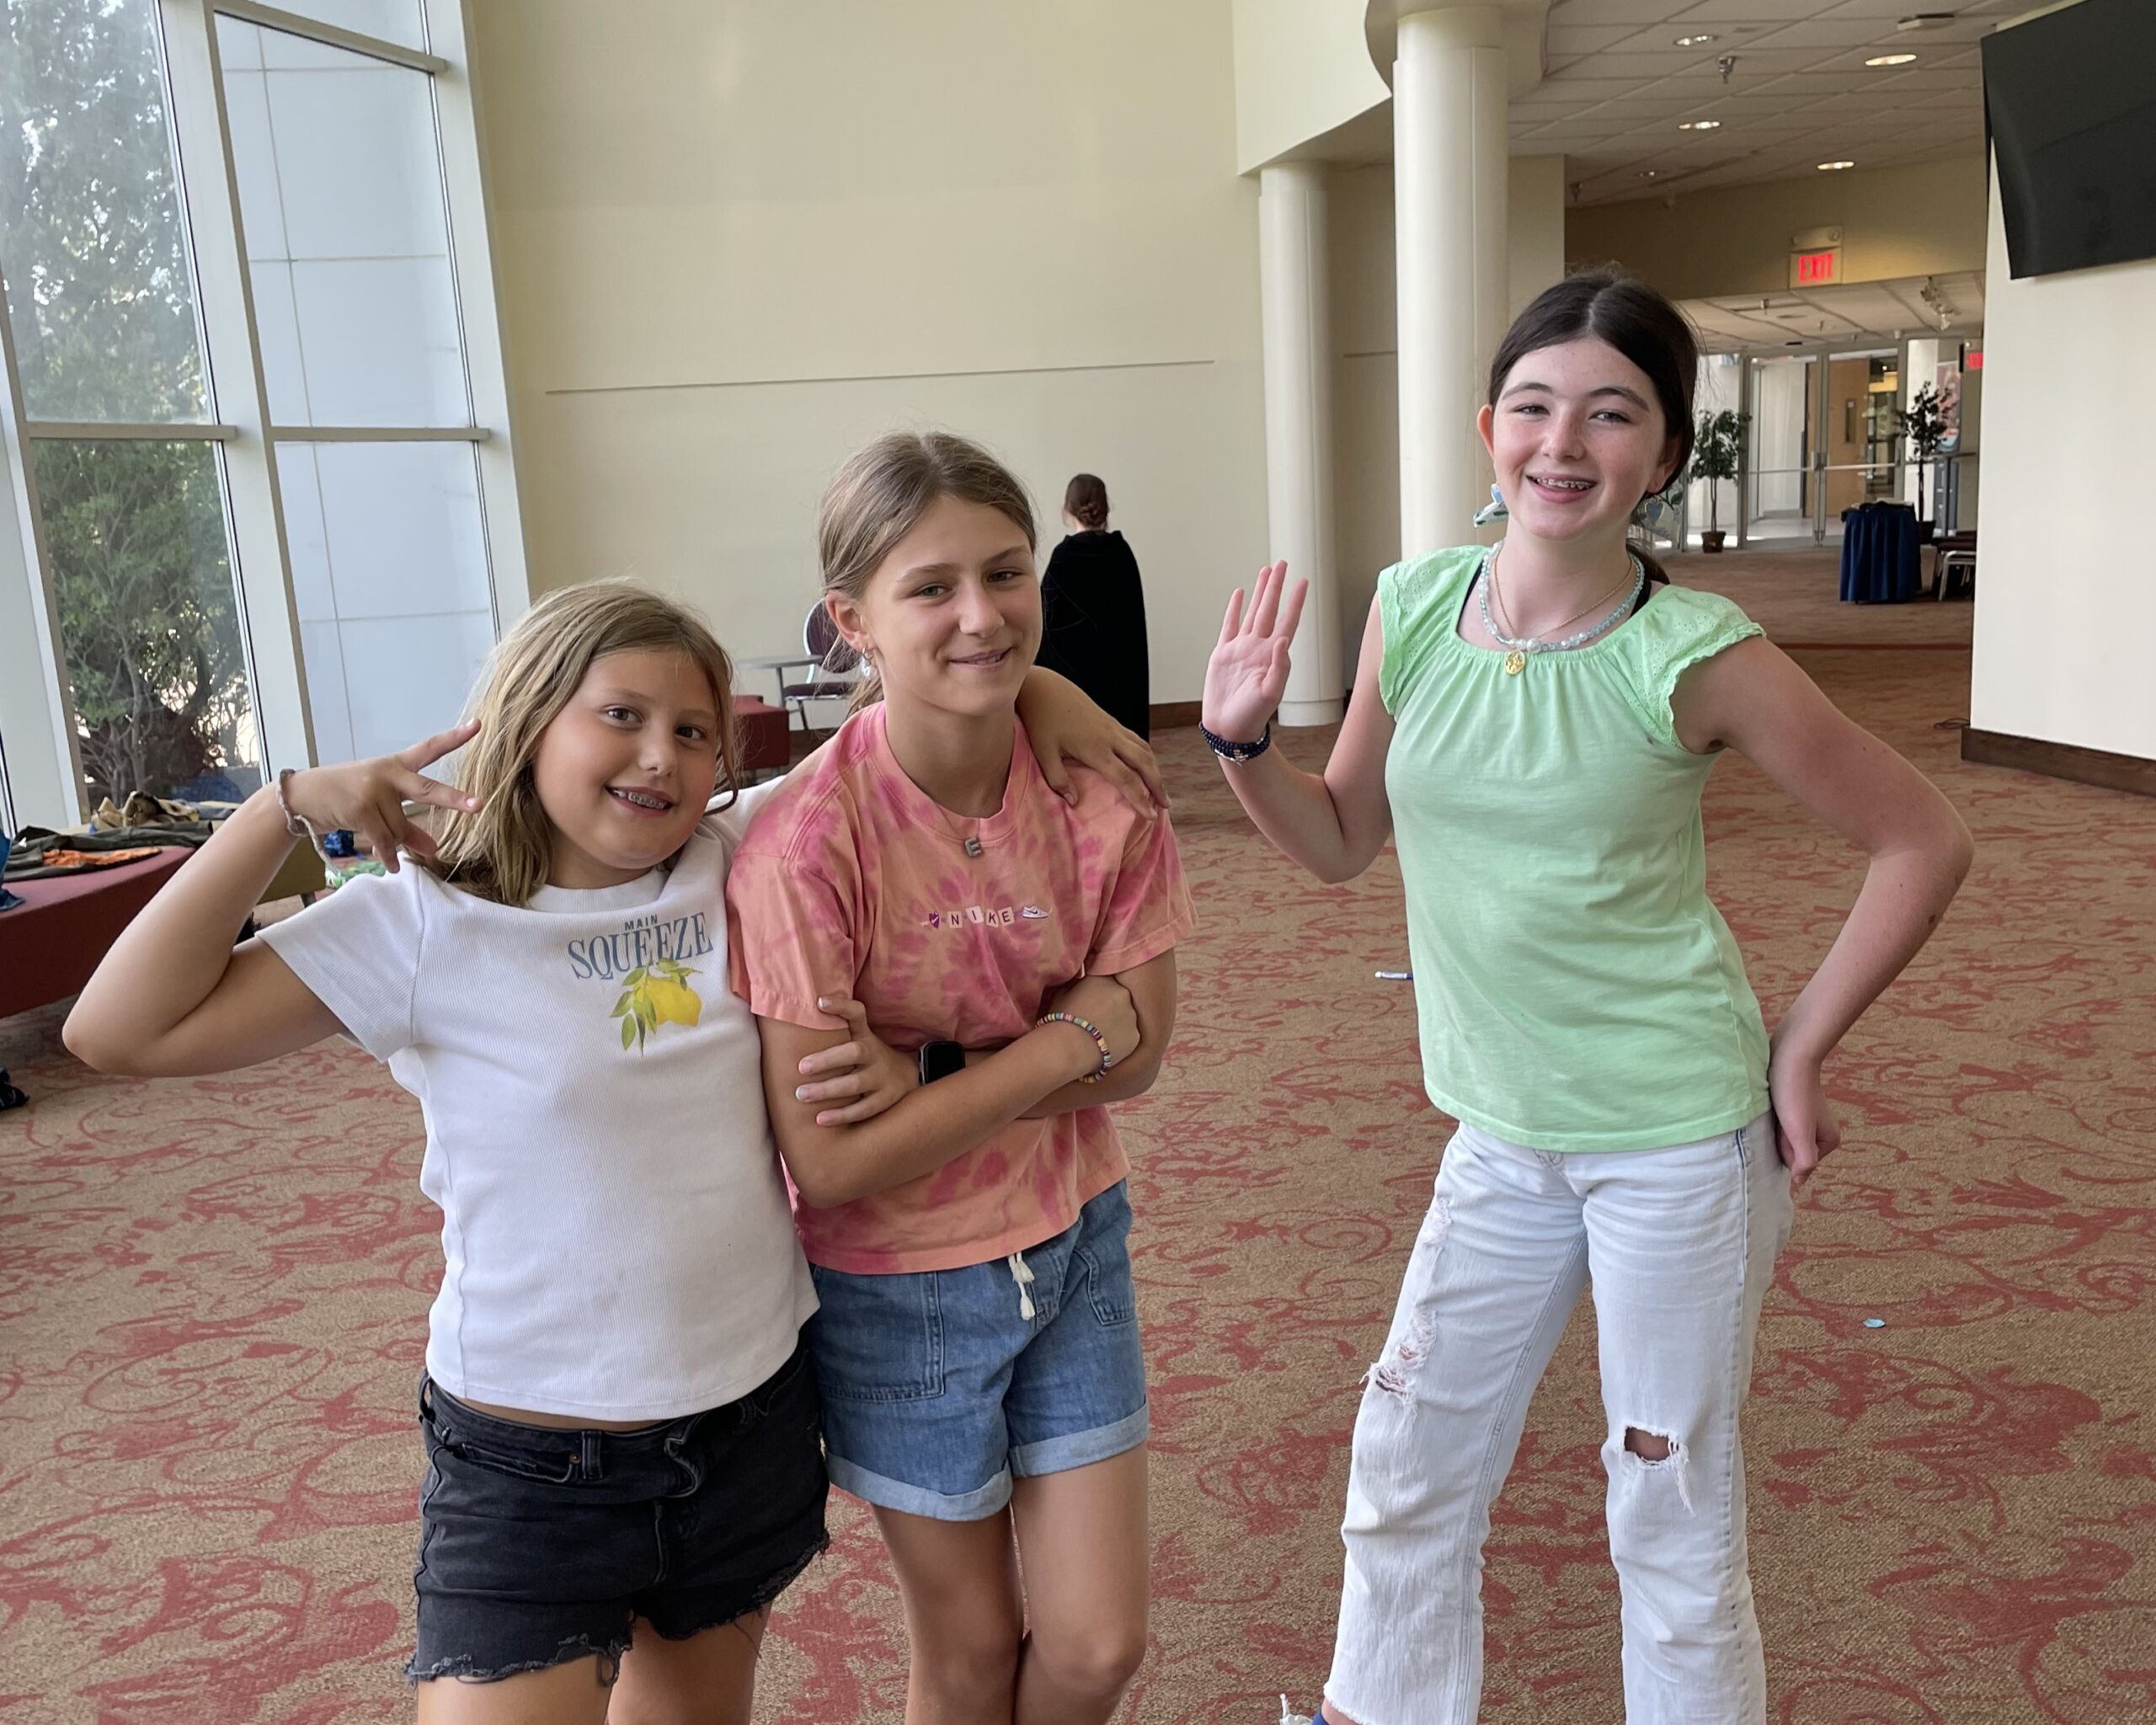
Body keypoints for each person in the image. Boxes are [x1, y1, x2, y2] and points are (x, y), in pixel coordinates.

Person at [61, 580, 1164, 1725]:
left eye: (692, 732)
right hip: (534, 1464)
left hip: (745, 1425)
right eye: (621, 716)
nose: (660, 758)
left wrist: (1047, 692)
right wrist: (280, 806)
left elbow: (922, 714)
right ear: (528, 721)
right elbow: (118, 1031)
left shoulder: (740, 855)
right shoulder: (425, 922)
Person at [1198, 275, 1972, 1725]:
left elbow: (1922, 832)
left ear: (1665, 453)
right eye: (1537, 407)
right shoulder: (1418, 607)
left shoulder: (1697, 655)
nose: (1565, 443)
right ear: (1489, 427)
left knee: (1666, 1510)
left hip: (1677, 1140)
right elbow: (1341, 839)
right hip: (1500, 1134)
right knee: (1407, 1464)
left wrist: (1799, 1045)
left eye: (1612, 414)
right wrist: (1241, 746)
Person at [728, 432, 1193, 1725]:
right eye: (931, 588)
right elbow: (828, 1159)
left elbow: (1144, 1053)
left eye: (1008, 573)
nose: (983, 617)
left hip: (1075, 1240)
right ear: (853, 619)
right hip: (898, 1290)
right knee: (974, 1651)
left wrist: (936, 1075)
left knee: (1097, 1648)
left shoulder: (1105, 797)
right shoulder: (803, 848)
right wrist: (1061, 1043)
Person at [1037, 473, 1151, 737]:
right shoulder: (1121, 553)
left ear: (1067, 509)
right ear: (1106, 506)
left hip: (1074, 681)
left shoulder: (1063, 557)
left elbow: (1045, 621)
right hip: (1119, 675)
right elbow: (1134, 622)